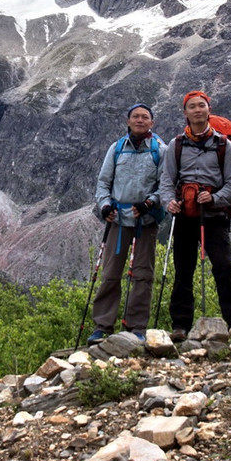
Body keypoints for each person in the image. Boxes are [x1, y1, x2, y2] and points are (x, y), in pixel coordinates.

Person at [160, 91, 231, 341]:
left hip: (214, 215)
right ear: (185, 113)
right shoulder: (175, 145)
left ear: (209, 110)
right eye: (192, 107)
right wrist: (169, 202)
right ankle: (180, 325)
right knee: (183, 270)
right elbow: (167, 181)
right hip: (185, 214)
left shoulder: (223, 145)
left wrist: (215, 198)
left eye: (201, 106)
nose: (197, 110)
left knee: (224, 267)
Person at [87, 104, 164, 344]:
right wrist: (105, 205)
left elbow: (167, 185)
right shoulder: (117, 148)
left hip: (146, 220)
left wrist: (150, 203)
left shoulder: (161, 149)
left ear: (152, 122)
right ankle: (102, 326)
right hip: (118, 220)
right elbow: (103, 182)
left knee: (143, 275)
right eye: (136, 117)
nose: (140, 120)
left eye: (145, 117)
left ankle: (137, 327)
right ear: (128, 121)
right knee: (110, 273)